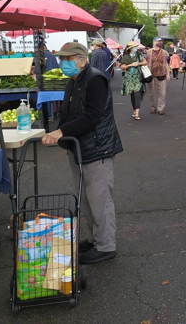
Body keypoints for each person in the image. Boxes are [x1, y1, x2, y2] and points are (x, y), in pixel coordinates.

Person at [41, 42, 122, 264]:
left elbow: (92, 116)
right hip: (78, 147)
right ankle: (94, 238)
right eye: (61, 59)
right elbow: (68, 113)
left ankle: (106, 245)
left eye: (67, 59)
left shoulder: (95, 79)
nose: (63, 63)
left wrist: (61, 131)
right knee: (85, 198)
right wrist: (60, 134)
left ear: (82, 60)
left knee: (99, 199)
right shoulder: (74, 80)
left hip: (97, 148)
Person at [120, 41, 147, 120]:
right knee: (132, 95)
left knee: (137, 94)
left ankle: (137, 113)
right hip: (129, 78)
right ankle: (134, 110)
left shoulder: (139, 54)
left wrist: (138, 64)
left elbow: (145, 62)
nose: (136, 48)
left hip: (138, 77)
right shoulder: (126, 56)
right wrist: (130, 65)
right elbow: (122, 67)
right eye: (134, 47)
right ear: (130, 49)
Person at [146, 37, 170, 115]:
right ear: (154, 42)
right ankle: (152, 107)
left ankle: (161, 108)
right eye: (158, 41)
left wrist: (168, 74)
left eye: (160, 41)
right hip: (151, 75)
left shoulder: (164, 52)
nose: (159, 43)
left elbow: (166, 63)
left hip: (161, 74)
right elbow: (145, 62)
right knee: (152, 92)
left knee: (162, 92)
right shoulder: (148, 52)